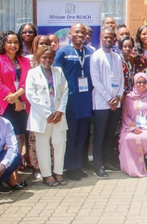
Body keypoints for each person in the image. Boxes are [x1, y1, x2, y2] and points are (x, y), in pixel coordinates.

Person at [0, 30, 30, 185]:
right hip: (4, 104)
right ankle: (8, 174)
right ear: (3, 44)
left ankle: (16, 170)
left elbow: (27, 82)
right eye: (9, 42)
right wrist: (13, 99)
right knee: (6, 139)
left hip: (21, 102)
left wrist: (17, 96)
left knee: (19, 138)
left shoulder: (25, 61)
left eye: (16, 42)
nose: (13, 45)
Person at [53, 22, 93, 180]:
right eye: (77, 32)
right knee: (71, 135)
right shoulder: (63, 53)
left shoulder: (89, 52)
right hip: (70, 100)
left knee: (83, 134)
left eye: (83, 32)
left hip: (85, 100)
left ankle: (77, 165)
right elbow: (57, 77)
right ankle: (69, 167)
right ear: (70, 34)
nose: (80, 35)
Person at [25, 45, 68, 187]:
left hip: (58, 116)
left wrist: (60, 111)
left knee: (60, 143)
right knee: (43, 146)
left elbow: (65, 91)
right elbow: (31, 96)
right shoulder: (32, 73)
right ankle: (47, 174)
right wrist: (47, 113)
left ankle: (58, 172)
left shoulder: (58, 71)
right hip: (42, 116)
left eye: (50, 57)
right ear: (38, 58)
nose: (47, 60)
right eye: (44, 57)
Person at [90, 26, 125, 178]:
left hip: (115, 102)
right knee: (100, 134)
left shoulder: (117, 57)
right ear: (100, 39)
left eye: (111, 37)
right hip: (101, 102)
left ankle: (107, 161)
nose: (109, 39)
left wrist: (118, 96)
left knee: (110, 134)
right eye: (106, 37)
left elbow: (121, 79)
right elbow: (95, 80)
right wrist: (108, 98)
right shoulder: (96, 56)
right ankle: (97, 165)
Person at [118, 72, 147, 176]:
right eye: (139, 82)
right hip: (131, 127)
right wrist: (133, 127)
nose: (142, 84)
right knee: (126, 139)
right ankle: (132, 168)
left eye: (144, 82)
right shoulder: (128, 97)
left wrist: (143, 125)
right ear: (134, 83)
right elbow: (125, 115)